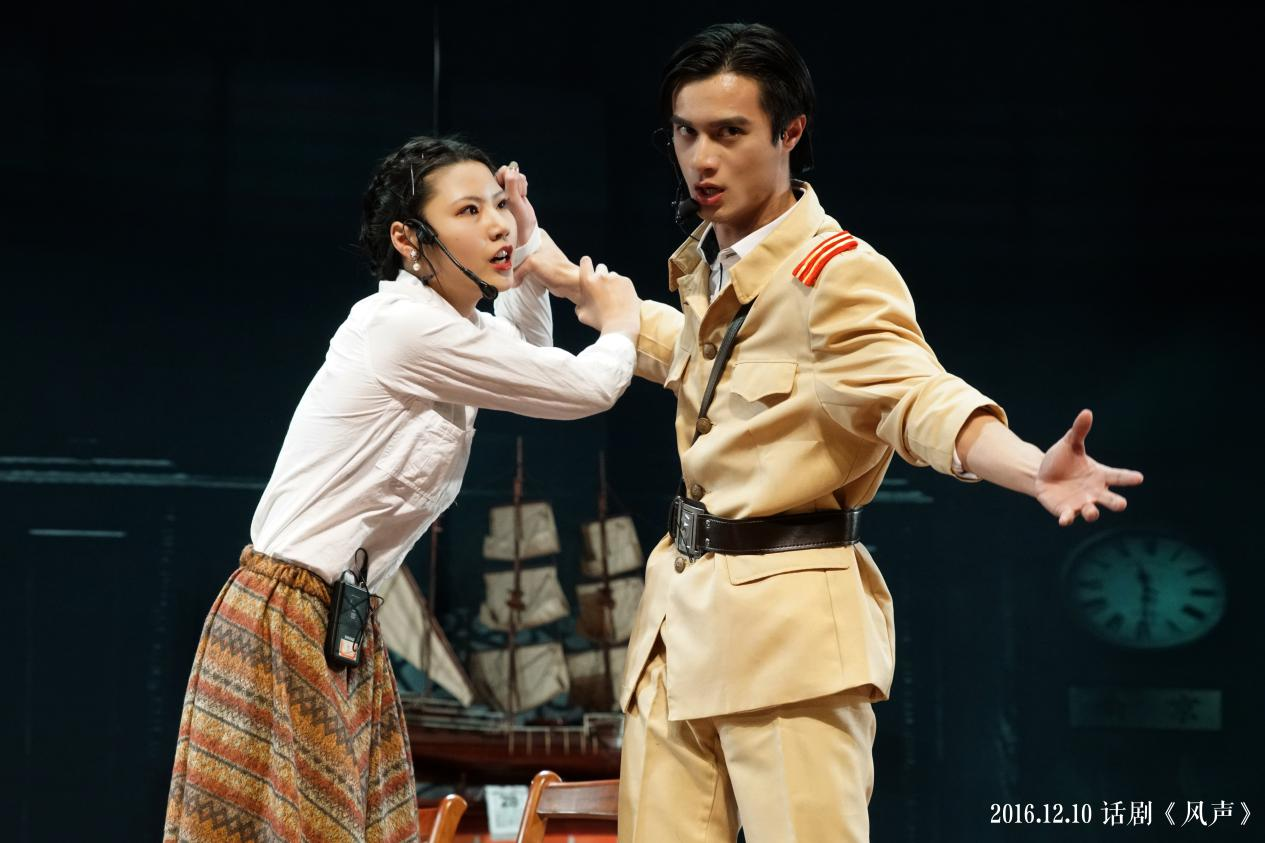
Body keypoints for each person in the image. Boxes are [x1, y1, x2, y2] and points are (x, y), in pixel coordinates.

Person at [518, 23, 1145, 843]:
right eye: (685, 132)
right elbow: (698, 358)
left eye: (729, 132)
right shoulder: (717, 266)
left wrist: (1032, 469)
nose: (701, 159)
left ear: (790, 132)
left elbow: (918, 396)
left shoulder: (835, 273)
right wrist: (566, 279)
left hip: (789, 641)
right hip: (678, 622)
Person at [162, 135, 641, 843]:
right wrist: (621, 321)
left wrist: (533, 263)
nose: (497, 225)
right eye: (470, 211)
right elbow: (581, 387)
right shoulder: (404, 328)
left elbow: (524, 360)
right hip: (288, 616)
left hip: (339, 623)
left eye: (500, 207)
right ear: (408, 238)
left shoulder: (451, 328)